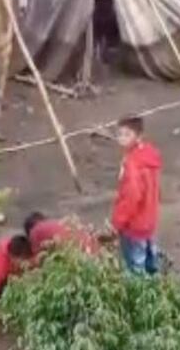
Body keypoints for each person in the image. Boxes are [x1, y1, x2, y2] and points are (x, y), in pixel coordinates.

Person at [110, 116, 163, 275]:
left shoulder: (132, 164)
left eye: (127, 134)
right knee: (150, 261)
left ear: (138, 136)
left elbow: (131, 196)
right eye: (120, 134)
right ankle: (157, 291)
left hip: (133, 225)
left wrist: (118, 223)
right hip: (149, 220)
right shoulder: (150, 158)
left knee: (135, 268)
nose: (122, 138)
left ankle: (141, 296)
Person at [23, 211, 99, 258]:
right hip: (96, 253)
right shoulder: (60, 223)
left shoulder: (35, 230)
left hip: (78, 258)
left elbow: (38, 260)